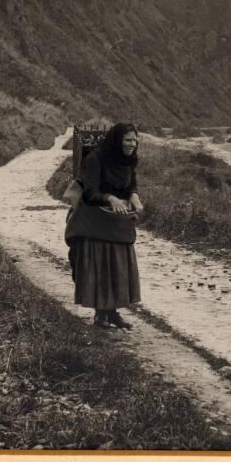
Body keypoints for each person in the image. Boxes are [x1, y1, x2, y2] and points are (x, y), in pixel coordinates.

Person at [66, 123, 144, 329]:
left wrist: (134, 196)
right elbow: (90, 193)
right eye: (128, 140)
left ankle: (113, 313)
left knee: (117, 267)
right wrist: (111, 198)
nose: (132, 145)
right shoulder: (95, 159)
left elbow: (131, 184)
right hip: (94, 220)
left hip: (116, 221)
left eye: (135, 141)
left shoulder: (128, 160)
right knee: (101, 266)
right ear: (117, 140)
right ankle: (101, 315)